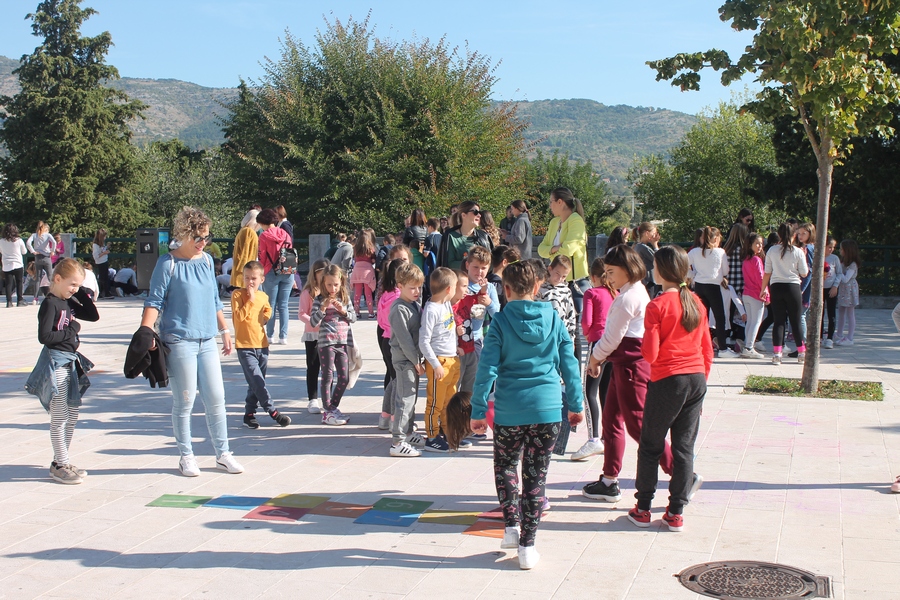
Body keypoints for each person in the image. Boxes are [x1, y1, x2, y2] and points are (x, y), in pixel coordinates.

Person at [470, 261, 584, 570]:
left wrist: (478, 410)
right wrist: (576, 405)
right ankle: (527, 546)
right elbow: (569, 363)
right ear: (536, 287)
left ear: (505, 290)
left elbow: (486, 369)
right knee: (536, 476)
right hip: (547, 409)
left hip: (509, 410)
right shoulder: (553, 317)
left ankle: (511, 526)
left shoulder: (501, 321)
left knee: (506, 466)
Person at [139, 207, 244, 477]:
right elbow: (154, 301)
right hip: (179, 341)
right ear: (184, 234)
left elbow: (213, 299)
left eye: (207, 237)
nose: (203, 243)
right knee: (185, 401)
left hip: (207, 339)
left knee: (216, 398)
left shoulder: (207, 261)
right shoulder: (168, 263)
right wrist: (145, 334)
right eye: (198, 237)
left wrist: (224, 329)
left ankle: (223, 453)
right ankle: (186, 456)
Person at [628, 245, 712, 532]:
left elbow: (650, 354)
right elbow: (707, 350)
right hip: (696, 378)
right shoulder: (697, 303)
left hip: (667, 379)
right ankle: (676, 512)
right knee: (684, 447)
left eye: (654, 265)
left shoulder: (657, 305)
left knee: (651, 444)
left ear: (662, 270)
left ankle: (642, 508)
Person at [583, 245, 673, 502]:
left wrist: (594, 359)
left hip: (631, 366)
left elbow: (611, 338)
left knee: (639, 426)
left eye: (612, 272)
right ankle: (609, 480)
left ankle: (679, 473)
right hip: (623, 365)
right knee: (611, 420)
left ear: (628, 269)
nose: (608, 277)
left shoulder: (627, 297)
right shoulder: (634, 291)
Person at [25, 258, 99, 484]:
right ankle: (61, 464)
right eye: (72, 284)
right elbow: (45, 337)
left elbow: (92, 315)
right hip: (56, 362)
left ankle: (60, 461)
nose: (74, 289)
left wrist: (81, 292)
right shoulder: (50, 304)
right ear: (57, 279)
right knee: (60, 416)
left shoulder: (68, 301)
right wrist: (72, 329)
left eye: (78, 285)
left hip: (70, 362)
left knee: (73, 413)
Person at [232, 260, 290, 430]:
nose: (250, 282)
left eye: (253, 278)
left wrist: (265, 317)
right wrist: (250, 300)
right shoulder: (237, 295)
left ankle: (249, 414)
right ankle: (273, 411)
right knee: (257, 381)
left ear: (261, 280)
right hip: (244, 346)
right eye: (246, 277)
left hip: (262, 345)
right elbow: (239, 317)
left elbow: (268, 309)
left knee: (256, 382)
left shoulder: (263, 296)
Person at [572, 257, 616, 462]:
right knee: (606, 392)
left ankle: (593, 437)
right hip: (613, 344)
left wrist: (588, 336)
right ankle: (608, 436)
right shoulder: (615, 293)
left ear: (593, 277)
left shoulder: (591, 293)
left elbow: (586, 321)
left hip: (596, 343)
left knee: (588, 391)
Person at [419, 267, 460, 452]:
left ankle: (447, 432)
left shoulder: (445, 304)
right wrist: (435, 365)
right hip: (439, 363)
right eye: (455, 287)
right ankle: (431, 436)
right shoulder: (431, 310)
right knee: (435, 403)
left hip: (452, 359)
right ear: (449, 289)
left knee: (448, 403)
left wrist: (456, 347)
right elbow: (424, 341)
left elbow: (448, 331)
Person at [309, 264, 357, 425]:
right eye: (329, 284)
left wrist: (343, 311)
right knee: (327, 375)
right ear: (323, 283)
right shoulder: (319, 299)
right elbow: (313, 322)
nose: (332, 288)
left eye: (335, 284)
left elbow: (353, 318)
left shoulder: (345, 298)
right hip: (326, 342)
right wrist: (323, 308)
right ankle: (328, 410)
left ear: (341, 282)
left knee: (344, 377)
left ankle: (332, 407)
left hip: (342, 342)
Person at [388, 263, 427, 456]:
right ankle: (398, 441)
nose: (417, 291)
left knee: (411, 398)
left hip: (413, 360)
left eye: (419, 287)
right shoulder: (398, 309)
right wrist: (416, 361)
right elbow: (404, 340)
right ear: (400, 286)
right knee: (405, 400)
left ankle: (409, 433)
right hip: (405, 361)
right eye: (412, 288)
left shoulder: (414, 304)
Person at [759, 223, 809, 364]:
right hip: (793, 287)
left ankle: (777, 354)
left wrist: (763, 289)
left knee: (779, 321)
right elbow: (804, 273)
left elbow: (767, 272)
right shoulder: (798, 251)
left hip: (776, 286)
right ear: (794, 235)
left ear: (779, 235)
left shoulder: (772, 250)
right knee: (795, 320)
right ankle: (801, 352)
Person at [539, 188, 590, 316]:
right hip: (557, 282)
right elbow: (540, 249)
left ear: (560, 202)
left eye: (551, 202)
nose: (550, 206)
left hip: (574, 282)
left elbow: (567, 251)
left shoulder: (576, 220)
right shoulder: (554, 223)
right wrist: (555, 248)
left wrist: (550, 251)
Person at [688, 226, 736, 357]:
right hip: (713, 286)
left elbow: (683, 264)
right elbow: (725, 271)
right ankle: (722, 348)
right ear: (715, 238)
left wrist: (692, 275)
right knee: (720, 318)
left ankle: (698, 345)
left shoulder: (694, 252)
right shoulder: (720, 252)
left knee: (701, 317)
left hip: (699, 285)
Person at [256, 208, 294, 345]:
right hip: (287, 271)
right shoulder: (285, 234)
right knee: (283, 305)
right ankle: (283, 336)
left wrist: (261, 273)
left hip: (271, 271)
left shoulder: (264, 236)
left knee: (270, 305)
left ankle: (270, 335)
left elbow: (262, 256)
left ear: (263, 222)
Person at [298, 259, 330, 414]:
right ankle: (312, 399)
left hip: (329, 334)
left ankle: (328, 399)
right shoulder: (308, 292)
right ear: (315, 274)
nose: (323, 277)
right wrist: (313, 321)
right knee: (313, 366)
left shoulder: (330, 291)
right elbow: (301, 313)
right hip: (312, 334)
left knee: (328, 368)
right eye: (320, 273)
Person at [376, 259, 404, 429]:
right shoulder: (400, 297)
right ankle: (395, 420)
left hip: (386, 338)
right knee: (399, 383)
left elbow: (380, 321)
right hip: (397, 342)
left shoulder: (385, 295)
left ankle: (385, 417)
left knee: (393, 381)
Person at [437, 200, 493, 269]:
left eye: (480, 212)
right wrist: (472, 264)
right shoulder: (450, 237)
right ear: (464, 215)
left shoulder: (484, 236)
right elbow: (449, 264)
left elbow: (491, 264)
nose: (479, 215)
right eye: (475, 212)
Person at [538, 255, 577, 346]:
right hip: (543, 335)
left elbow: (571, 316)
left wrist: (571, 339)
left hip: (561, 336)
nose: (560, 279)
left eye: (564, 276)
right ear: (550, 269)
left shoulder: (566, 291)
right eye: (557, 273)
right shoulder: (539, 288)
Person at [740, 233, 768, 359]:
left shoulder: (746, 259)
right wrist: (765, 293)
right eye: (757, 243)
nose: (760, 246)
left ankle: (747, 344)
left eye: (761, 243)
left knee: (750, 322)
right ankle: (749, 347)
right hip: (756, 294)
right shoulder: (756, 260)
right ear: (750, 244)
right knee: (756, 322)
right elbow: (761, 278)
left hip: (747, 293)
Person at [835, 239, 860, 346]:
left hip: (850, 290)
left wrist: (838, 272)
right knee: (841, 311)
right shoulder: (843, 262)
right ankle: (839, 334)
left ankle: (850, 337)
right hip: (843, 290)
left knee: (850, 313)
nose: (840, 251)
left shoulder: (853, 264)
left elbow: (846, 279)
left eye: (842, 249)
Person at [350, 230, 378, 319]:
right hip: (367, 271)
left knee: (357, 293)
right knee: (368, 293)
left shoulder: (356, 248)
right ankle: (370, 313)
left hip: (357, 270)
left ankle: (356, 312)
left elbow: (354, 258)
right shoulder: (371, 248)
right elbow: (373, 260)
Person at [28, 221, 57, 303]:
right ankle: (54, 294)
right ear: (46, 229)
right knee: (50, 277)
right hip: (46, 257)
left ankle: (35, 298)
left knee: (38, 278)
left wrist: (33, 251)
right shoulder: (48, 235)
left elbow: (28, 243)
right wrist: (52, 251)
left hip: (38, 257)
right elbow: (54, 242)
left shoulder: (34, 235)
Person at [230, 209, 260, 289]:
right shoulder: (248, 231)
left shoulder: (244, 230)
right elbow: (244, 253)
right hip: (245, 270)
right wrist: (245, 270)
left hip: (244, 269)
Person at [821, 237, 842, 349]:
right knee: (820, 313)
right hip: (820, 289)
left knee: (831, 313)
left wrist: (835, 286)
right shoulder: (817, 256)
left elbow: (839, 273)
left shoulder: (834, 258)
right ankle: (819, 336)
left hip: (831, 289)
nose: (831, 249)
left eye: (833, 247)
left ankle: (830, 338)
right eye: (829, 247)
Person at [1, 223, 28, 307]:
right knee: (19, 282)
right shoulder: (19, 240)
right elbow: (24, 252)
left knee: (8, 283)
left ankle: (9, 302)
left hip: (6, 264)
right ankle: (20, 300)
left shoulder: (1, 241)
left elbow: (1, 251)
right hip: (18, 264)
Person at [632, 222, 661, 298]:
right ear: (647, 233)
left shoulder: (637, 246)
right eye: (653, 233)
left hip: (643, 280)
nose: (655, 236)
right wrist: (655, 244)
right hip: (648, 281)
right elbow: (660, 259)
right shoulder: (643, 248)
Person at [91, 228, 111, 299]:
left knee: (105, 277)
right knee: (103, 278)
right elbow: (96, 256)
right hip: (100, 262)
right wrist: (104, 253)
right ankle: (104, 293)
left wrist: (106, 247)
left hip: (105, 260)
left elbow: (102, 250)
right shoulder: (95, 245)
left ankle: (104, 292)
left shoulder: (101, 244)